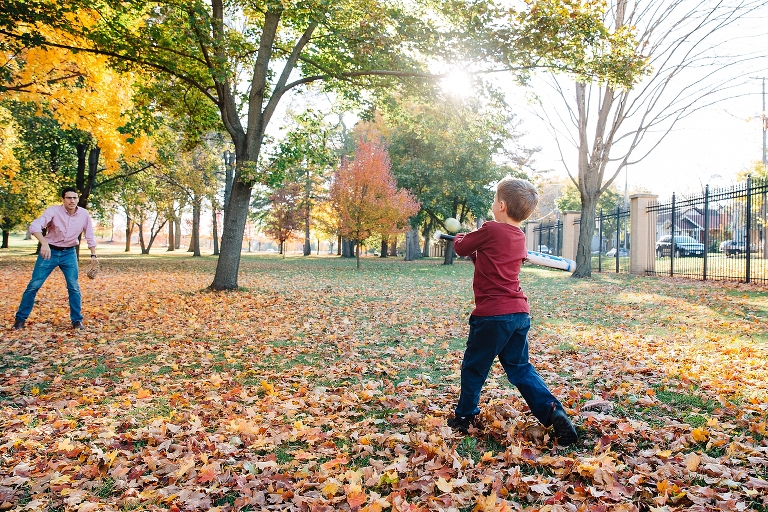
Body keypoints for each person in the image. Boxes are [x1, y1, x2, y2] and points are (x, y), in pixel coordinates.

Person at [447, 177, 578, 446]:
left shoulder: (491, 229)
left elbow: (461, 247)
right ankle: (553, 411)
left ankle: (465, 416)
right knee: (520, 368)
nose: (493, 204)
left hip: (492, 316)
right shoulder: (518, 237)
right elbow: (485, 258)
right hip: (518, 314)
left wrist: (460, 236)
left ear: (502, 206)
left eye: (495, 200)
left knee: (474, 367)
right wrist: (475, 249)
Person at [12, 187, 97, 330]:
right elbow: (35, 226)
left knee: (74, 287)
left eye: (74, 198)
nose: (72, 201)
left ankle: (77, 321)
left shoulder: (84, 214)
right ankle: (20, 320)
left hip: (69, 253)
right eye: (69, 198)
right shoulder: (53, 211)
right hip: (49, 252)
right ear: (63, 199)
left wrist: (93, 255)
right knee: (34, 285)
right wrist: (44, 243)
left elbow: (90, 235)